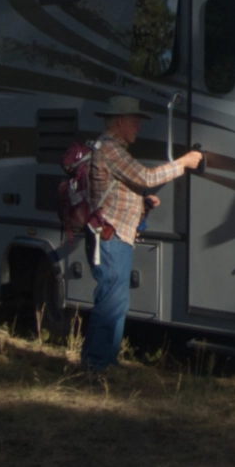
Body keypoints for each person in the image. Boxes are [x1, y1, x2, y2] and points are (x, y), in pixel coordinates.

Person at [82, 95, 202, 372]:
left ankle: (101, 361)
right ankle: (98, 365)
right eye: (136, 121)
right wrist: (182, 163)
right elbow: (145, 178)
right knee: (112, 301)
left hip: (115, 234)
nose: (139, 127)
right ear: (121, 120)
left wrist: (142, 202)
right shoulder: (111, 148)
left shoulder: (108, 147)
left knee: (114, 301)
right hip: (112, 236)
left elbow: (123, 187)